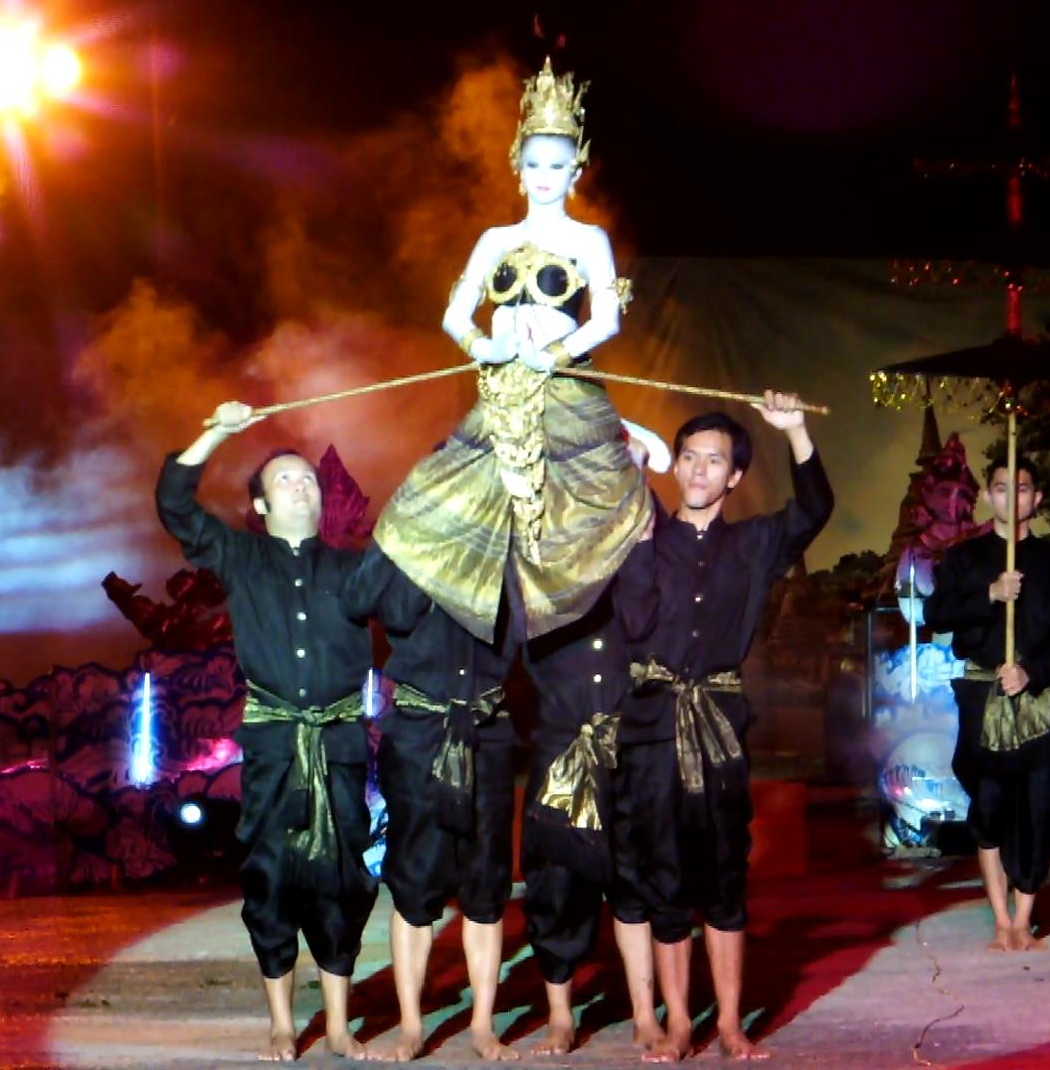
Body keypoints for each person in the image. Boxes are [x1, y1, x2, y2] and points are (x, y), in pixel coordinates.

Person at [371, 56, 651, 648]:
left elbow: (607, 318)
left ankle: (585, 631)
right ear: (517, 168)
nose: (545, 175)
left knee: (580, 509)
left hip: (562, 390)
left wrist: (556, 353)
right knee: (439, 496)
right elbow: (455, 313)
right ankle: (447, 627)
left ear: (576, 171)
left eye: (558, 164)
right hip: (500, 391)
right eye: (534, 163)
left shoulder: (587, 239)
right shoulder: (495, 239)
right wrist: (482, 345)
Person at [613, 392, 832, 1060]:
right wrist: (637, 527)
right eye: (689, 457)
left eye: (714, 460)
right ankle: (680, 1023)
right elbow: (633, 623)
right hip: (652, 727)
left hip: (719, 726)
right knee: (663, 876)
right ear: (675, 464)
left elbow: (814, 509)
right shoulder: (645, 534)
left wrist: (795, 430)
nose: (699, 469)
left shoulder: (754, 544)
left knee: (725, 875)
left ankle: (732, 1024)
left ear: (734, 475)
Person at [157, 402, 375, 1062]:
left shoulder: (356, 568)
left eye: (308, 479)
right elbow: (174, 504)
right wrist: (217, 432)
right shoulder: (241, 556)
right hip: (274, 747)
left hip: (338, 746)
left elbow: (415, 586)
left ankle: (338, 1025)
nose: (301, 486)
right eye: (285, 479)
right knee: (272, 878)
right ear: (259, 504)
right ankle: (281, 1022)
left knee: (341, 881)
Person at [340, 546, 518, 1062]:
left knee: (486, 884)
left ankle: (482, 1025)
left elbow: (532, 619)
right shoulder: (410, 545)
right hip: (418, 734)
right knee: (414, 882)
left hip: (486, 732)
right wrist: (405, 537)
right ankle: (411, 1025)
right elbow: (366, 601)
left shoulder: (504, 544)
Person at [918, 460, 1050, 952]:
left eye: (1023, 488)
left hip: (1034, 696)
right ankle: (1000, 919)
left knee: (1037, 806)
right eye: (1002, 488)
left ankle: (1024, 921)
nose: (1013, 497)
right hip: (980, 693)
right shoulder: (964, 558)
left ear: (1037, 499)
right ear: (989, 497)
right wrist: (990, 593)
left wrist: (1031, 671)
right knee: (988, 804)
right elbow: (937, 614)